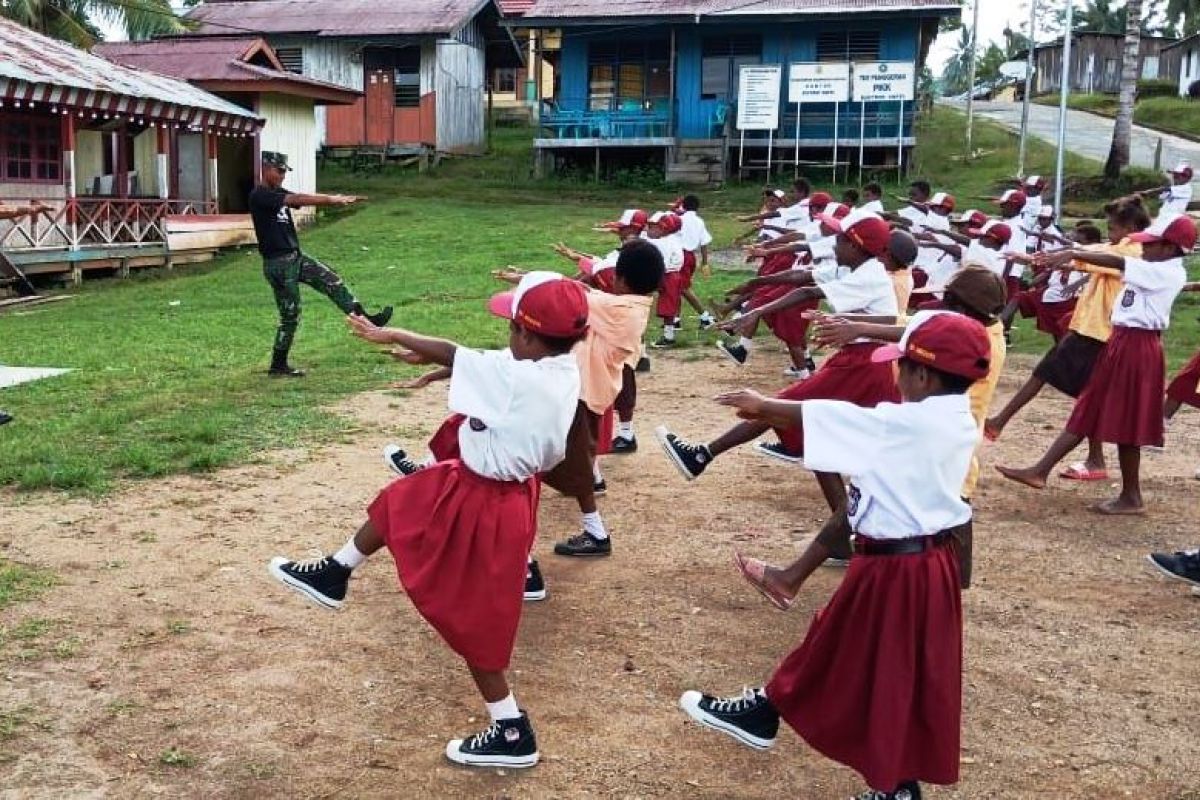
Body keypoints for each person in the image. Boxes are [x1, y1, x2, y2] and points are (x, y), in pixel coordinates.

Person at [267, 271, 589, 769]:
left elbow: (459, 353)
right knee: (399, 501)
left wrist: (393, 333)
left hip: (490, 504)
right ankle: (336, 572)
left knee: (475, 622)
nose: (507, 335)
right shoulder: (559, 368)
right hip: (483, 487)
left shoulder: (523, 378)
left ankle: (511, 728)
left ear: (527, 334)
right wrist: (442, 370)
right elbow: (487, 365)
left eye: (511, 327)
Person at [677, 311, 991, 800]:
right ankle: (895, 784)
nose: (894, 374)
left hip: (898, 567)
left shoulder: (908, 425)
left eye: (901, 366)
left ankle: (771, 715)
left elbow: (838, 417)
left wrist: (766, 405)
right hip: (916, 564)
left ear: (924, 376)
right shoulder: (953, 416)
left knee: (869, 666)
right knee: (877, 663)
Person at [656, 211, 900, 516]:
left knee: (779, 407)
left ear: (856, 246)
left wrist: (756, 310)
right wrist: (758, 287)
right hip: (861, 362)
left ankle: (703, 455)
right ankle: (845, 532)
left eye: (840, 239)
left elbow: (809, 291)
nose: (833, 244)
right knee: (822, 446)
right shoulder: (855, 267)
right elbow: (802, 279)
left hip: (861, 365)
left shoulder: (867, 276)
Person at [996, 214, 1196, 515]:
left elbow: (1117, 263)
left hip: (1137, 346)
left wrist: (1075, 252)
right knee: (1091, 405)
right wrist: (1069, 256)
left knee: (1125, 418)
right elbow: (1108, 260)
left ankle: (1130, 495)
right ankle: (1041, 470)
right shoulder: (1156, 266)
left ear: (1169, 248)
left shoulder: (1165, 272)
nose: (1144, 248)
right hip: (1123, 341)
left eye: (1151, 244)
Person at [985, 198, 1152, 481]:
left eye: (1113, 228)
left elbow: (1092, 257)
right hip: (1089, 329)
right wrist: (1036, 259)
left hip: (1100, 334)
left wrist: (1067, 257)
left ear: (1131, 227)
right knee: (1074, 391)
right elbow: (1089, 251)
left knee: (1075, 392)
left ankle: (1003, 426)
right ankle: (1088, 459)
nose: (1108, 232)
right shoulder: (1117, 248)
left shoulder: (1133, 253)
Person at [249, 151, 393, 377]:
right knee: (290, 315)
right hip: (278, 265)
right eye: (279, 171)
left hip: (295, 257)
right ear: (265, 168)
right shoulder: (260, 195)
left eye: (285, 171)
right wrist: (331, 199)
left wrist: (335, 199)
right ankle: (278, 365)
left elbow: (299, 197)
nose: (283, 175)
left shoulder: (278, 192)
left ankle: (367, 319)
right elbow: (295, 200)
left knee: (332, 281)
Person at [676, 195, 717, 330]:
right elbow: (704, 243)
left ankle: (705, 317)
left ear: (683, 205)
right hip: (691, 256)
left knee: (683, 288)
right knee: (675, 288)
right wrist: (705, 262)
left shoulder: (678, 220)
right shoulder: (699, 221)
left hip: (679, 256)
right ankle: (675, 320)